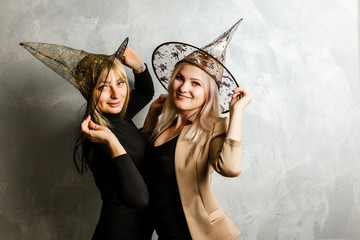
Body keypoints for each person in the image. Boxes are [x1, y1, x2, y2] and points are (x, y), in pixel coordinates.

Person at [20, 38, 154, 240]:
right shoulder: (97, 136)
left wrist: (139, 66)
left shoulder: (117, 116)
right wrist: (111, 141)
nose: (116, 94)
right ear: (89, 91)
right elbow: (141, 199)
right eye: (103, 87)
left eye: (120, 83)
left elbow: (145, 92)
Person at [143, 19, 251, 240]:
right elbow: (141, 159)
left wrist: (236, 113)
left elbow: (230, 168)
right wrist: (152, 116)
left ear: (208, 94)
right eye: (180, 79)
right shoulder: (164, 126)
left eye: (195, 83)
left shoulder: (215, 127)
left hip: (200, 235)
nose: (183, 88)